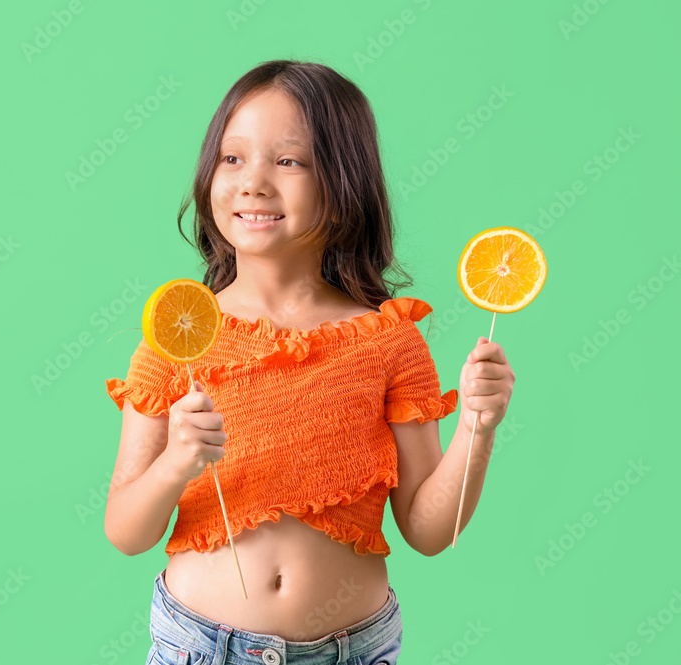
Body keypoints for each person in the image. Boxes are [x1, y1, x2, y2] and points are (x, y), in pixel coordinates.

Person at [104, 59, 515, 665]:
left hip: (353, 649)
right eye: (232, 158)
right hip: (202, 645)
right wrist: (176, 463)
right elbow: (125, 531)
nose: (253, 182)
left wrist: (478, 427)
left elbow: (429, 532)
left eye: (289, 161)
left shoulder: (388, 341)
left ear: (344, 182)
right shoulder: (178, 334)